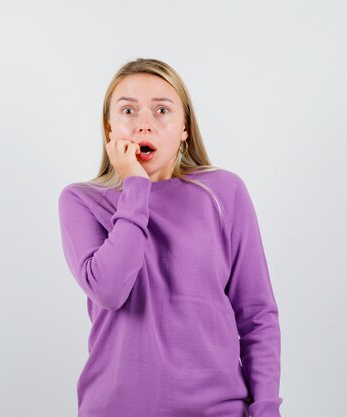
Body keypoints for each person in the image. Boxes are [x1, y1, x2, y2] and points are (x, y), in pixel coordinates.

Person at [57, 58, 283, 417]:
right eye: (128, 110)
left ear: (184, 128)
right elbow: (109, 290)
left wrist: (267, 409)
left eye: (162, 110)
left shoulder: (223, 192)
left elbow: (256, 315)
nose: (144, 124)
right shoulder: (81, 200)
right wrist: (135, 187)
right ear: (109, 128)